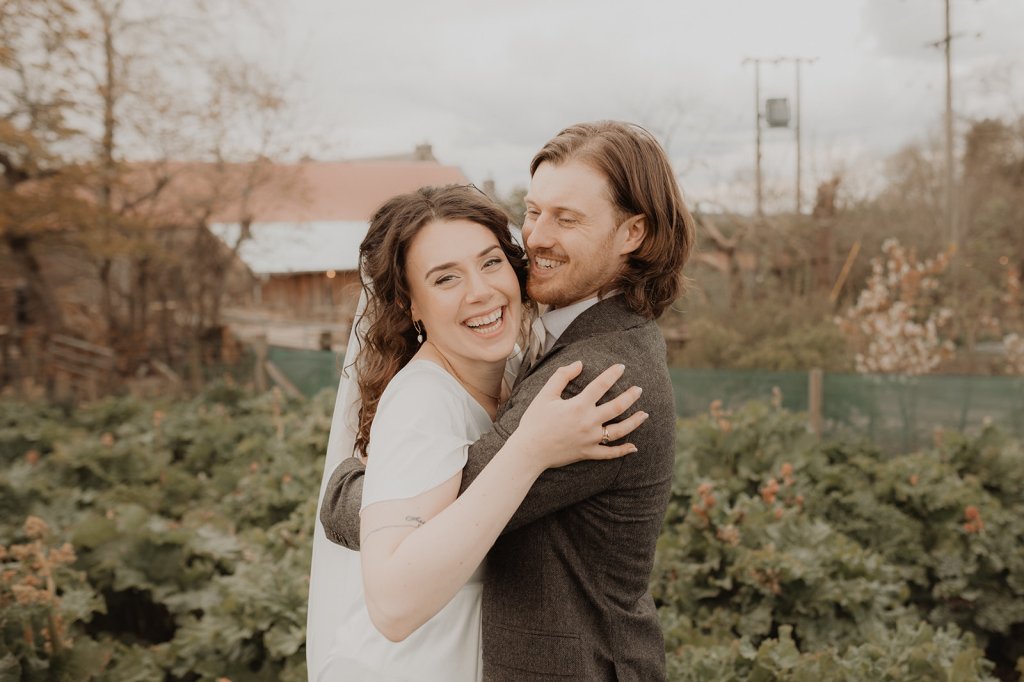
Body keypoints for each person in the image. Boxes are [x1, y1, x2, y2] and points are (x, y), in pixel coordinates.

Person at [321, 121, 696, 680]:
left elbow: (450, 501)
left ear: (632, 232)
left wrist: (347, 489)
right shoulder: (579, 341)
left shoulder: (592, 377)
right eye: (534, 211)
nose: (536, 237)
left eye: (566, 219)